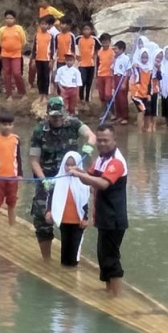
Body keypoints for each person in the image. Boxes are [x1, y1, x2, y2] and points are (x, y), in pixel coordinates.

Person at [29, 97, 96, 262]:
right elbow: (34, 160)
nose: (57, 119)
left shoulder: (73, 124)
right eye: (53, 116)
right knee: (41, 217)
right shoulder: (39, 131)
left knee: (74, 215)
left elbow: (90, 135)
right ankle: (46, 258)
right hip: (48, 178)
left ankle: (72, 257)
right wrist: (43, 180)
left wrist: (89, 145)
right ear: (47, 115)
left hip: (71, 178)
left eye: (60, 115)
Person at [68, 124, 128, 297]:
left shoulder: (116, 161)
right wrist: (75, 171)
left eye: (105, 140)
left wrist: (80, 175)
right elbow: (90, 178)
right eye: (99, 140)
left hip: (114, 217)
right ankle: (108, 291)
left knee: (111, 256)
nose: (101, 143)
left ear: (114, 140)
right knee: (103, 255)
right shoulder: (101, 159)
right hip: (103, 216)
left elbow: (102, 183)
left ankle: (116, 297)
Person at [46, 151, 90, 267]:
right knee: (65, 244)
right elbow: (51, 197)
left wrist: (85, 218)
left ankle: (74, 267)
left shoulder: (83, 183)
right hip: (64, 219)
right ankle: (64, 268)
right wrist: (49, 211)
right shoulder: (57, 180)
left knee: (75, 246)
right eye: (67, 165)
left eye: (72, 165)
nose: (69, 168)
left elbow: (86, 202)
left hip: (78, 220)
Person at [0, 111, 23, 226]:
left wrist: (20, 174)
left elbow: (18, 158)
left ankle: (12, 226)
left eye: (9, 124)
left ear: (13, 125)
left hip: (13, 177)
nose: (7, 127)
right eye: (4, 124)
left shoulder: (16, 139)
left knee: (12, 203)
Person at [0, 10, 28, 100]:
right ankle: (9, 94)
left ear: (14, 19)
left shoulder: (19, 29)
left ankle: (23, 93)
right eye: (7, 18)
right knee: (6, 74)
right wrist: (1, 53)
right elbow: (0, 41)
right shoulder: (2, 30)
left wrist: (18, 49)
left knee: (17, 73)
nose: (9, 20)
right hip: (5, 54)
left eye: (11, 18)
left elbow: (23, 41)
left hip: (16, 54)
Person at [130, 47, 157, 131]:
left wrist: (149, 94)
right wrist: (133, 66)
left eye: (146, 57)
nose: (144, 59)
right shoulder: (137, 68)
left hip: (145, 93)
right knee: (141, 110)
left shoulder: (150, 69)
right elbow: (133, 70)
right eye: (142, 57)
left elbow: (149, 83)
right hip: (137, 94)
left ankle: (146, 128)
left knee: (146, 110)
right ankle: (139, 130)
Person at [31, 15, 56, 102]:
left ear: (48, 25)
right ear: (39, 25)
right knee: (39, 77)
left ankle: (45, 95)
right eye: (42, 24)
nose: (43, 26)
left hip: (47, 59)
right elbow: (34, 48)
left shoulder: (50, 36)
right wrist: (33, 59)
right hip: (38, 59)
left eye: (45, 24)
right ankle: (40, 94)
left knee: (46, 77)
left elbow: (52, 49)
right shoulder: (37, 35)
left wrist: (52, 60)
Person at [76, 24, 100, 104]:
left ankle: (87, 99)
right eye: (85, 29)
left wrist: (95, 54)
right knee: (82, 81)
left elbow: (99, 48)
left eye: (88, 29)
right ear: (82, 31)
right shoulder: (78, 39)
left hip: (91, 64)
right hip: (81, 64)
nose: (86, 31)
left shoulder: (94, 39)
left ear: (91, 30)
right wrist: (76, 56)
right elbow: (73, 47)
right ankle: (81, 98)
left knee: (89, 82)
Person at [112, 40, 131, 125]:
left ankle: (125, 117)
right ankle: (119, 115)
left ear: (121, 49)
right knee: (117, 98)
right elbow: (112, 68)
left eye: (116, 49)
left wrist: (124, 82)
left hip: (122, 78)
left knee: (122, 99)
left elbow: (128, 71)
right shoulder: (116, 58)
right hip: (116, 77)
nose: (114, 50)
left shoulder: (125, 58)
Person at [96, 33, 115, 111]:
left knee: (108, 94)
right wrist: (96, 75)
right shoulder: (99, 52)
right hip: (100, 74)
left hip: (109, 75)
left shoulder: (112, 52)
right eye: (103, 42)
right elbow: (97, 63)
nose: (105, 44)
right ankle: (105, 110)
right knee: (101, 95)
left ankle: (112, 111)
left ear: (110, 42)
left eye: (107, 42)